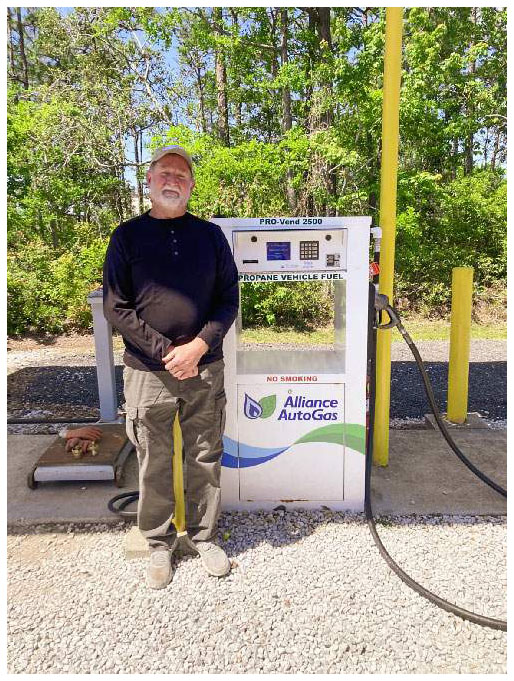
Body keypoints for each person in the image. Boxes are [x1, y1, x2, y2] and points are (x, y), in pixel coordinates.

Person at [102, 145, 239, 589]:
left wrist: (198, 346)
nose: (173, 179)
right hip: (147, 371)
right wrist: (167, 352)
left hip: (204, 367)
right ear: (149, 181)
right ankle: (159, 544)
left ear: (192, 185)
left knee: (204, 455)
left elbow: (228, 300)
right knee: (153, 460)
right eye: (165, 172)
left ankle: (203, 537)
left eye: (181, 174)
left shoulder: (211, 237)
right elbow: (116, 308)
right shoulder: (126, 237)